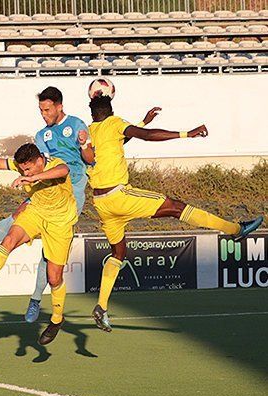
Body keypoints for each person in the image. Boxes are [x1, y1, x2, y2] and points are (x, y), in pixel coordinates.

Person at [0, 86, 160, 323]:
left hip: (71, 190)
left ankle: (35, 299)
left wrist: (84, 145)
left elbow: (93, 157)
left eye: (47, 109)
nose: (43, 114)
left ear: (59, 106)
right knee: (14, 219)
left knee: (48, 256)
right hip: (45, 186)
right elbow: (34, 162)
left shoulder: (76, 125)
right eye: (40, 110)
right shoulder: (42, 135)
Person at [83, 94, 263, 332]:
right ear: (111, 110)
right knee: (176, 207)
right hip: (120, 196)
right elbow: (145, 137)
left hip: (100, 203)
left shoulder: (87, 132)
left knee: (118, 252)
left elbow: (110, 147)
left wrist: (142, 123)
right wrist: (186, 134)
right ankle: (236, 230)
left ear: (92, 113)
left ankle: (101, 307)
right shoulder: (115, 123)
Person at [0, 145, 77, 345]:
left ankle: (57, 320)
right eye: (23, 170)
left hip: (60, 223)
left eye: (29, 169)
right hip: (36, 213)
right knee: (9, 240)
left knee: (54, 277)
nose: (25, 173)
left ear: (40, 160)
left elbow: (64, 171)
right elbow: (1, 163)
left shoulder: (56, 165)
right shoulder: (23, 166)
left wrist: (32, 178)